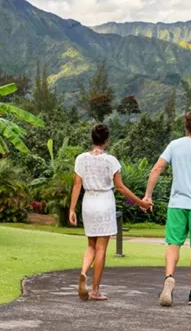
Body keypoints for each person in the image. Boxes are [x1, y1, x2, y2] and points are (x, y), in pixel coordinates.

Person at [143, 108, 191, 307]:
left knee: (173, 244)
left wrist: (148, 195)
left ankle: (169, 277)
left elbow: (157, 168)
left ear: (186, 125)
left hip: (177, 204)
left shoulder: (174, 145)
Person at [69, 123, 151, 301]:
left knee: (91, 245)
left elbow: (77, 185)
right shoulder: (110, 161)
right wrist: (140, 202)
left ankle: (84, 272)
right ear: (107, 140)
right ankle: (95, 290)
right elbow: (120, 187)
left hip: (88, 202)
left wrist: (71, 209)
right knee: (101, 248)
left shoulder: (81, 159)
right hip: (105, 202)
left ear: (92, 138)